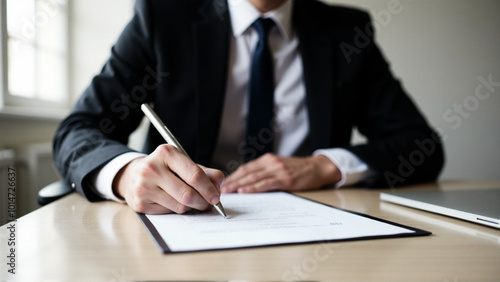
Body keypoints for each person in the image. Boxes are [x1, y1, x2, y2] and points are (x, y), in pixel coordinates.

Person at [53, 0, 444, 215]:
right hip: (184, 229)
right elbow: (79, 130)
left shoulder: (346, 31)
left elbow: (421, 145)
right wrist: (126, 173)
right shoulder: (162, 17)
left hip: (314, 230)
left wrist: (324, 165)